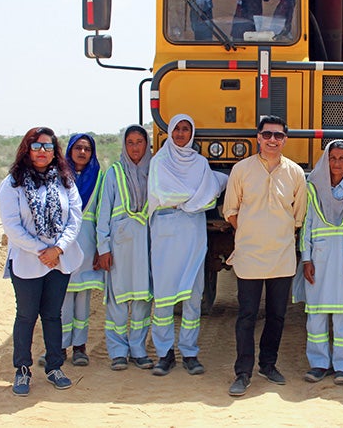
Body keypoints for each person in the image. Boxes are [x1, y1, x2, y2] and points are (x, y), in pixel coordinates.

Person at [223, 115, 307, 396]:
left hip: (281, 255)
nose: (273, 140)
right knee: (246, 316)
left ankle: (268, 365)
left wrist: (275, 231)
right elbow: (231, 211)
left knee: (277, 315)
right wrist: (250, 231)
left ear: (285, 140)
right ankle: (243, 372)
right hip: (248, 255)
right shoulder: (241, 170)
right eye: (267, 134)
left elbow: (298, 216)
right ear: (258, 137)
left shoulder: (295, 173)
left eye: (278, 136)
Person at [0, 127, 84, 396]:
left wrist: (57, 249)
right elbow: (12, 227)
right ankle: (22, 369)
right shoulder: (12, 183)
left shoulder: (65, 181)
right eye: (37, 146)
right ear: (27, 149)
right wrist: (41, 250)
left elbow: (75, 218)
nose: (42, 152)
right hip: (27, 260)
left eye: (48, 147)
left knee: (52, 315)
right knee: (26, 316)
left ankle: (54, 367)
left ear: (54, 151)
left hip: (59, 259)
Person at [148, 114, 227, 376]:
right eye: (177, 129)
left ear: (192, 134)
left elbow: (208, 195)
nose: (181, 134)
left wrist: (188, 199)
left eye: (186, 129)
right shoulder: (159, 162)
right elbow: (165, 193)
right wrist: (193, 197)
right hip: (166, 235)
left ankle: (190, 352)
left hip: (193, 234)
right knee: (164, 297)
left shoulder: (200, 163)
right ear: (169, 132)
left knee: (193, 296)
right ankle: (164, 353)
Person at [295, 140, 343, 385]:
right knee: (316, 313)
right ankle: (319, 364)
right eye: (332, 158)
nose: (336, 163)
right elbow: (307, 224)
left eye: (341, 159)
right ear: (326, 160)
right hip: (320, 259)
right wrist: (306, 258)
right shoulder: (313, 187)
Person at [97, 125, 154, 372]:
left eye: (139, 142)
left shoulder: (155, 171)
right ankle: (118, 351)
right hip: (119, 247)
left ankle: (138, 350)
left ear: (147, 145)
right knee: (117, 300)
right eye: (129, 142)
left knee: (142, 299)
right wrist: (103, 248)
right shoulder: (114, 173)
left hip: (146, 246)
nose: (134, 148)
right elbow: (102, 214)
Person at [58, 134, 105, 366]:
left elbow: (102, 216)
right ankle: (59, 347)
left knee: (83, 300)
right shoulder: (58, 177)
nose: (83, 152)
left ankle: (79, 347)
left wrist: (100, 248)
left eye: (87, 148)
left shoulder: (99, 177)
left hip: (87, 246)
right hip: (64, 247)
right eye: (78, 148)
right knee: (61, 300)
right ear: (70, 150)